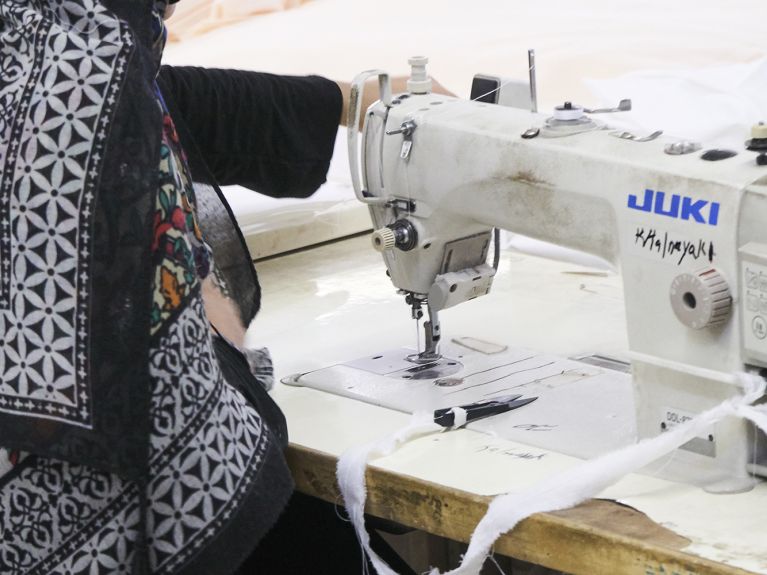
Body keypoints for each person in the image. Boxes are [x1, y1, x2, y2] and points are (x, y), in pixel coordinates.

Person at [0, 1, 427, 573]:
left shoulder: (55, 40)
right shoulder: (70, 77)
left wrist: (345, 103)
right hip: (117, 530)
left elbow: (149, 96)